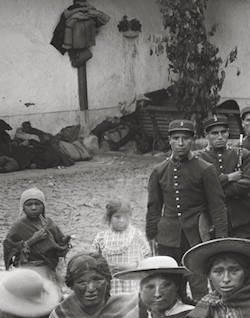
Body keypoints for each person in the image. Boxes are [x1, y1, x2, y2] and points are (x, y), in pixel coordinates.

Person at [146, 119, 229, 260]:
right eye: (175, 138)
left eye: (185, 138)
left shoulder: (205, 169)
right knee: (170, 280)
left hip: (197, 238)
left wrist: (221, 239)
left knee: (198, 281)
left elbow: (217, 207)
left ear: (193, 140)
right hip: (168, 238)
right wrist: (151, 234)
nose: (180, 143)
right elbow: (154, 207)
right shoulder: (159, 171)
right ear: (169, 140)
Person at [92, 199, 151, 277]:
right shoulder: (101, 237)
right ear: (109, 217)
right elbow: (93, 258)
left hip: (131, 280)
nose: (122, 220)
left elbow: (147, 256)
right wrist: (105, 266)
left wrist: (133, 266)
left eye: (126, 217)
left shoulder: (136, 234)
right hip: (109, 279)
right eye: (117, 217)